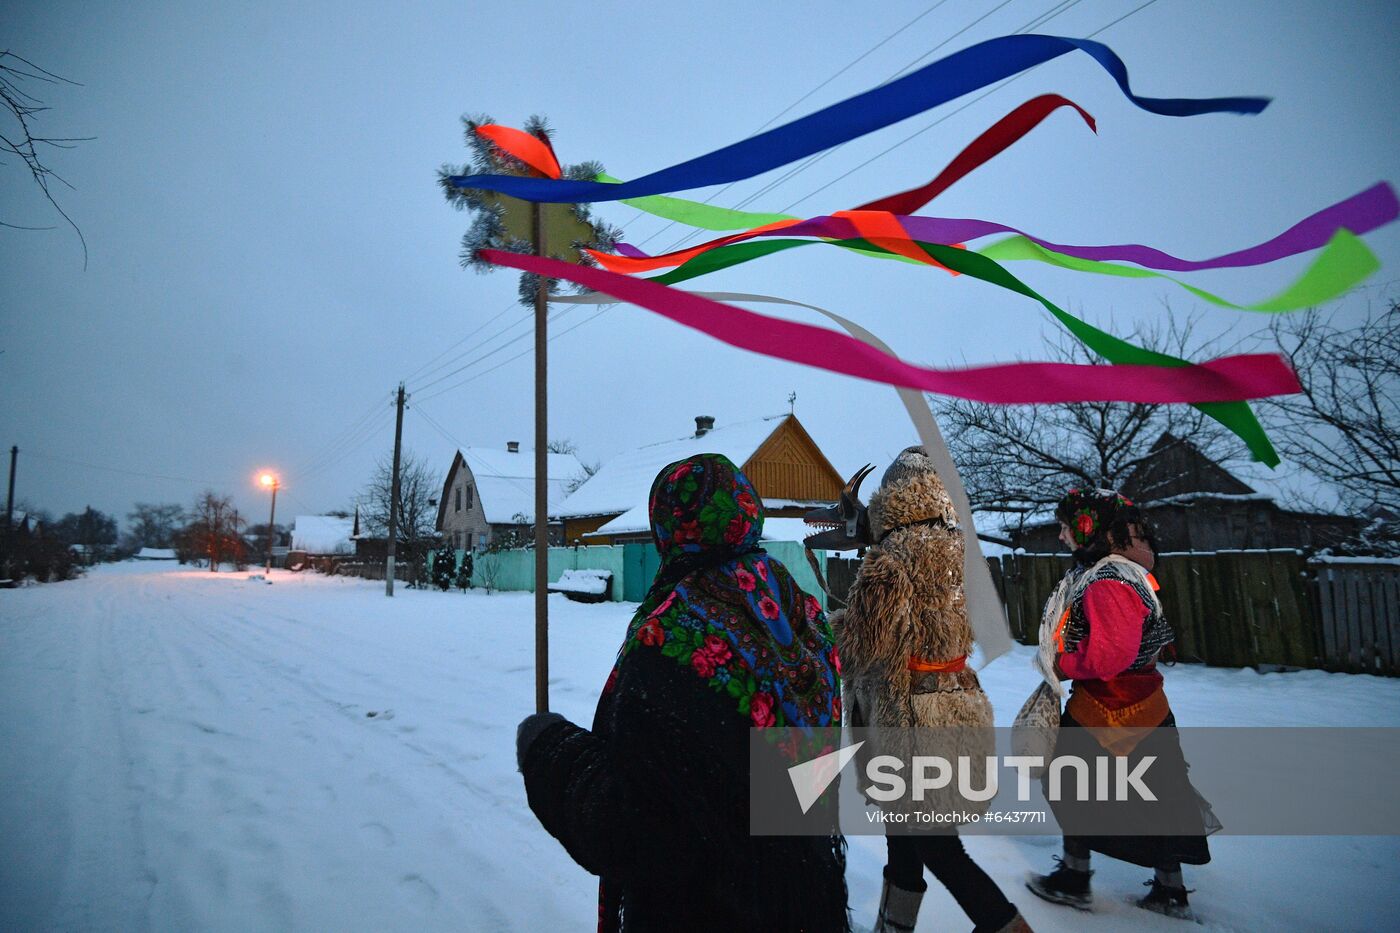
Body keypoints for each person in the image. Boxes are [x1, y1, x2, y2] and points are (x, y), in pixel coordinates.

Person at [515, 454, 849, 933]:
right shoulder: (800, 615)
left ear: (668, 525)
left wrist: (549, 750)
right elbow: (788, 786)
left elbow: (634, 827)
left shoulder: (670, 640)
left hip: (709, 910)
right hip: (803, 900)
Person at [837, 447, 1030, 933]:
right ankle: (894, 925)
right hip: (953, 700)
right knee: (904, 832)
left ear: (893, 495)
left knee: (937, 844)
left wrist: (830, 626)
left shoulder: (893, 557)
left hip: (908, 722)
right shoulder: (959, 547)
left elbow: (860, 645)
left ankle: (1005, 924)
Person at [1026, 488, 1212, 922]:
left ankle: (1074, 880)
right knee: (1156, 796)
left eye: (1066, 526)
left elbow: (1111, 655)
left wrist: (1064, 663)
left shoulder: (1108, 581)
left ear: (1089, 527)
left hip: (1111, 708)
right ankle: (1169, 890)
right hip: (1142, 704)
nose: (1060, 535)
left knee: (1067, 783)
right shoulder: (1118, 573)